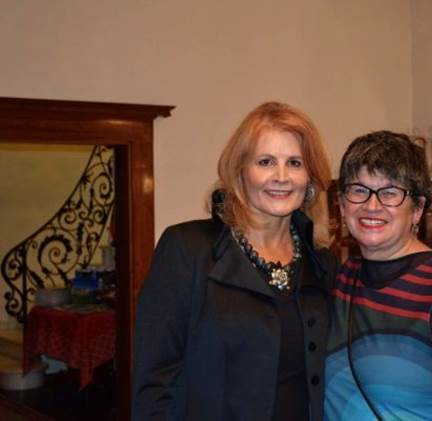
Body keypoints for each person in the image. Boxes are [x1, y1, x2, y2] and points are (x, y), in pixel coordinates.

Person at [132, 101, 338, 420]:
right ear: (240, 171)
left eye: (295, 163)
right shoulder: (186, 250)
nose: (281, 176)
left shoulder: (323, 263)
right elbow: (154, 382)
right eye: (266, 161)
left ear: (310, 178)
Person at [324, 131, 432, 420]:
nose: (371, 205)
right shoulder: (339, 279)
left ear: (417, 209)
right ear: (342, 204)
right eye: (358, 190)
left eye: (390, 192)